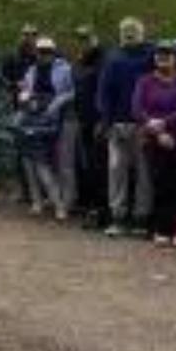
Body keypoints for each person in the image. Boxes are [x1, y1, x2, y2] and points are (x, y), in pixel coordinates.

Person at [132, 41, 176, 247]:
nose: (162, 57)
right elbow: (137, 108)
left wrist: (165, 123)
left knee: (172, 183)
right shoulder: (145, 81)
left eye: (167, 54)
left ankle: (167, 229)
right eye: (159, 54)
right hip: (153, 138)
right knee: (160, 184)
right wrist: (156, 128)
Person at [97, 17, 155, 237]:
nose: (129, 33)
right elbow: (104, 93)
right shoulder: (113, 57)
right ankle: (117, 219)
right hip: (118, 124)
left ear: (141, 32)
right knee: (116, 173)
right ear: (121, 33)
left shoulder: (151, 55)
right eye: (125, 30)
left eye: (133, 30)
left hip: (144, 124)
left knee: (144, 174)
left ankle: (141, 219)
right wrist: (107, 122)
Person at [19, 37, 75, 219]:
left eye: (47, 51)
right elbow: (25, 92)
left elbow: (72, 92)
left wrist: (57, 103)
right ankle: (37, 201)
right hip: (34, 118)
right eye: (40, 51)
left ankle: (64, 203)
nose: (44, 55)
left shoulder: (65, 69)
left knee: (61, 164)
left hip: (61, 119)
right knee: (30, 161)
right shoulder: (31, 70)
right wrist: (24, 96)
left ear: (54, 51)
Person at [71, 25, 108, 227]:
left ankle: (100, 212)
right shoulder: (79, 62)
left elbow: (105, 92)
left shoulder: (103, 60)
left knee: (98, 166)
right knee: (86, 165)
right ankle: (89, 206)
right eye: (80, 39)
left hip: (97, 121)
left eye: (86, 38)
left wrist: (102, 119)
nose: (83, 42)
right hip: (82, 120)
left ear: (95, 39)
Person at [2, 23, 39, 104]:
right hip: (16, 93)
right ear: (21, 36)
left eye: (33, 34)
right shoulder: (12, 56)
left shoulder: (42, 55)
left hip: (37, 94)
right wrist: (14, 85)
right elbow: (3, 77)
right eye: (26, 34)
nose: (30, 37)